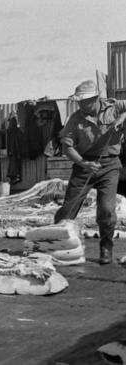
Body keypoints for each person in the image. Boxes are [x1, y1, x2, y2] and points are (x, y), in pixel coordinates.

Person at [54, 80, 126, 265]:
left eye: (85, 101)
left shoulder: (114, 107)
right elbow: (67, 148)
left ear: (96, 98)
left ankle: (106, 247)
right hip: (84, 165)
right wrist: (84, 163)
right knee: (68, 209)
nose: (81, 105)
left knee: (107, 210)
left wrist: (123, 117)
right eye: (79, 101)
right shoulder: (75, 119)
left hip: (109, 165)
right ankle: (55, 243)